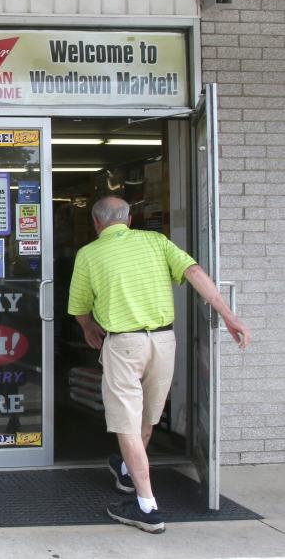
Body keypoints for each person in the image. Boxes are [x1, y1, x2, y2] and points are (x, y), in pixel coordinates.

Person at [68, 196, 250, 534]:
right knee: (147, 416)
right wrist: (228, 315)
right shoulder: (156, 242)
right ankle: (125, 472)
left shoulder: (89, 254)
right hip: (163, 341)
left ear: (96, 222)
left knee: (126, 423)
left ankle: (147, 507)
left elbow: (80, 306)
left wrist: (87, 327)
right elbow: (194, 272)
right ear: (129, 218)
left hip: (123, 344)